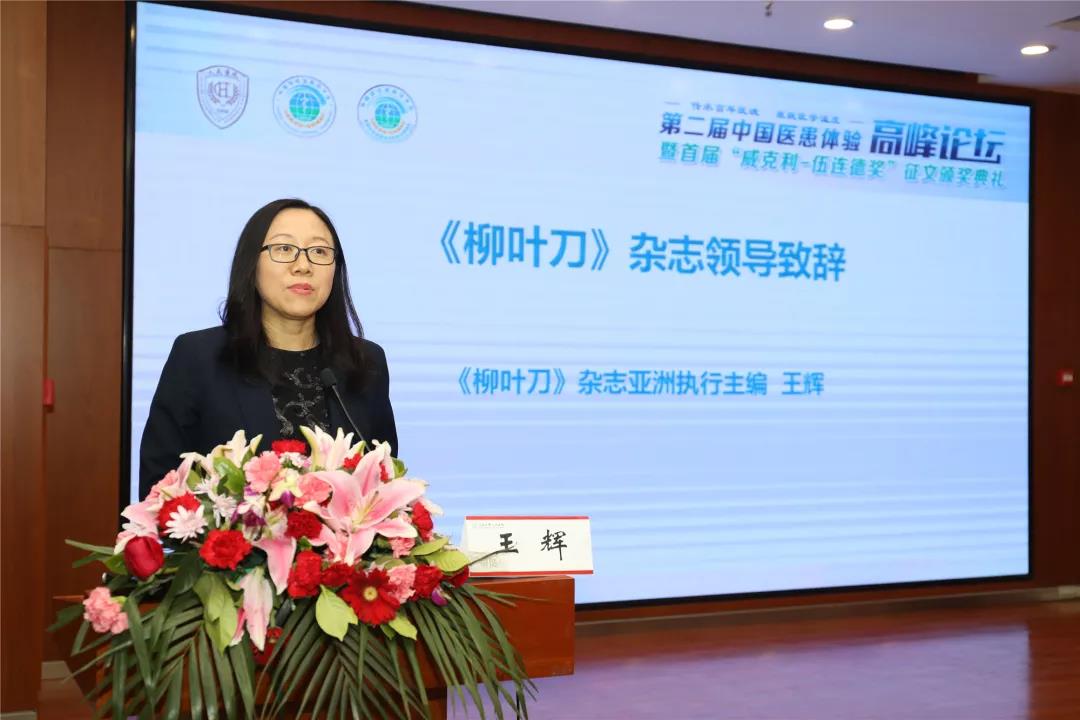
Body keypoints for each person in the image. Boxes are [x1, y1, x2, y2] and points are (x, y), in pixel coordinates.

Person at [139, 198, 397, 498]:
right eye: (284, 249)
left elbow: (385, 485)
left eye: (319, 252)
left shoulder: (365, 362)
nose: (303, 266)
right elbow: (160, 491)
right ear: (252, 263)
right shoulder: (199, 358)